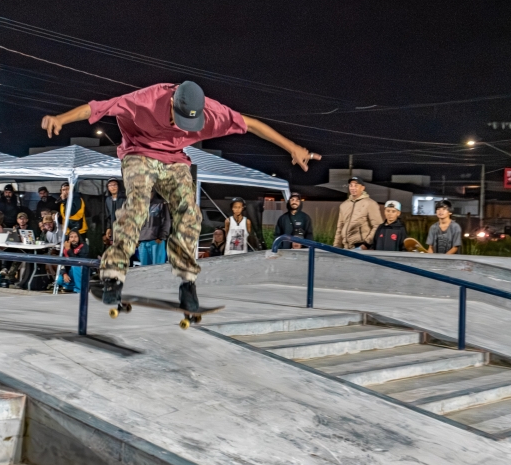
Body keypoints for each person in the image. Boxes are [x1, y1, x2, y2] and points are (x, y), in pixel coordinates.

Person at [40, 81, 319, 310]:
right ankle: (113, 276)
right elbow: (97, 107)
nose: (182, 127)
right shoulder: (147, 99)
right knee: (138, 205)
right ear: (172, 102)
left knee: (190, 210)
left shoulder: (213, 113)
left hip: (175, 160)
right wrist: (60, 118)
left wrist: (292, 147)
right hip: (139, 154)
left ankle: (187, 282)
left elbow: (253, 124)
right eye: (178, 118)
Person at [334, 176, 382, 250]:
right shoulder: (344, 205)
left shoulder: (370, 203)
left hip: (361, 247)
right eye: (351, 185)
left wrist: (366, 244)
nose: (353, 188)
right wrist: (336, 245)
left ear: (362, 188)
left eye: (356, 185)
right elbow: (340, 227)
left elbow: (378, 226)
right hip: (346, 247)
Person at [137, 191, 171, 265]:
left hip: (156, 240)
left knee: (157, 269)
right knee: (144, 270)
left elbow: (166, 221)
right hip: (142, 241)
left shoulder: (161, 204)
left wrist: (162, 237)